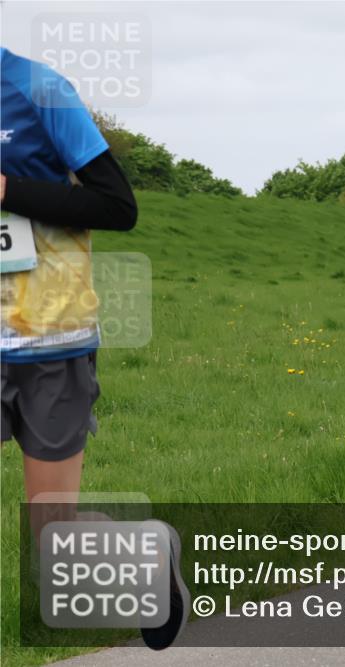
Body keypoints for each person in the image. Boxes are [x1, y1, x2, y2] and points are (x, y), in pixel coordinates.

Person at [0, 47, 187, 650]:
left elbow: (117, 205)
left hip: (49, 339)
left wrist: (7, 189)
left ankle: (147, 559)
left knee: (53, 539)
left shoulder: (38, 88)